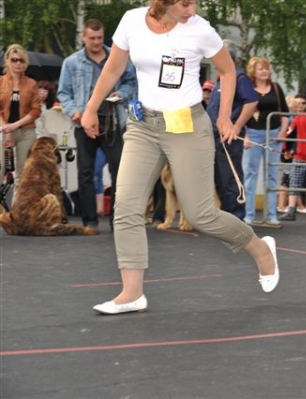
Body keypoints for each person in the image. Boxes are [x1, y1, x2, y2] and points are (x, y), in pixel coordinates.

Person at [81, 0, 279, 314]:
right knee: (126, 208)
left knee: (201, 215)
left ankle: (259, 248)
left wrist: (225, 116)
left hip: (187, 126)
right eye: (185, 3)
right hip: (143, 125)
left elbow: (228, 71)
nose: (192, 9)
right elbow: (114, 68)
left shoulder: (200, 30)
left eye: (195, 2)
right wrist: (91, 108)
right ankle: (132, 293)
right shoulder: (132, 21)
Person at [57, 19, 137, 230]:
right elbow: (63, 92)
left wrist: (122, 93)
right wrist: (73, 110)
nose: (95, 42)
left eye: (99, 38)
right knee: (86, 172)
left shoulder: (118, 57)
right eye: (91, 38)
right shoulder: (71, 62)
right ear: (83, 37)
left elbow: (132, 82)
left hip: (113, 120)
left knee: (119, 170)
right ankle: (89, 221)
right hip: (84, 121)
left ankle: (117, 221)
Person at [208, 39, 259, 221]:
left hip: (228, 136)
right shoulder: (221, 77)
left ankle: (236, 218)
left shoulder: (238, 77)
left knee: (230, 178)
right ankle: (226, 218)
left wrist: (236, 127)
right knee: (219, 179)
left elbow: (251, 101)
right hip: (214, 135)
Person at [243, 56, 289, 227]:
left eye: (266, 68)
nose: (264, 71)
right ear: (253, 72)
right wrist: (245, 135)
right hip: (253, 133)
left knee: (271, 176)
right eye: (260, 68)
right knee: (250, 174)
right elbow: (242, 113)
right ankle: (249, 214)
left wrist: (282, 133)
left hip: (274, 135)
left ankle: (271, 215)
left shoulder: (276, 88)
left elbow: (285, 113)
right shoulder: (247, 89)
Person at [0, 44, 41, 204]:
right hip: (4, 130)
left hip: (26, 131)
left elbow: (36, 111)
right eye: (14, 60)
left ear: (26, 64)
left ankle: (18, 211)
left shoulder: (31, 84)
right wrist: (6, 128)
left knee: (23, 173)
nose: (18, 63)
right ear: (7, 61)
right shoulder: (1, 82)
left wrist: (15, 125)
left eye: (21, 60)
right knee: (1, 166)